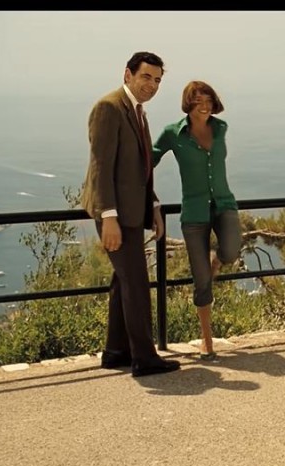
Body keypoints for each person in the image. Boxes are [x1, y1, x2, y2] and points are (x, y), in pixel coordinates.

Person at [80, 51, 181, 378]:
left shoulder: (137, 112)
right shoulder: (109, 108)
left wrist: (154, 205)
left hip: (133, 211)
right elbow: (101, 166)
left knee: (123, 281)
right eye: (146, 77)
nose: (151, 85)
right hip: (116, 215)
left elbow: (138, 170)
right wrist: (108, 217)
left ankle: (116, 352)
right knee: (136, 282)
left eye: (157, 80)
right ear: (128, 75)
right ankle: (144, 358)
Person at [152, 81, 241, 361]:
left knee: (231, 251)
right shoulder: (173, 133)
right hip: (194, 211)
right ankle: (206, 339)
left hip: (224, 204)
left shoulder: (220, 128)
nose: (204, 106)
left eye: (208, 100)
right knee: (202, 281)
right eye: (198, 101)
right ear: (188, 104)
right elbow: (148, 160)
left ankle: (216, 261)